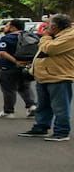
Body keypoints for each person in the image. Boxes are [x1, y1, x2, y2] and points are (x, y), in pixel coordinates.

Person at [18, 13, 73, 142]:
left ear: (55, 26)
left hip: (59, 76)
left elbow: (50, 49)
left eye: (48, 25)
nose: (45, 27)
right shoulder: (55, 35)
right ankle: (41, 127)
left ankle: (61, 132)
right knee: (43, 105)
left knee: (60, 107)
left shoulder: (70, 36)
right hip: (44, 75)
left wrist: (45, 37)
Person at [0, 19, 38, 119]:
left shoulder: (6, 38)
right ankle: (32, 106)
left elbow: (2, 52)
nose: (5, 28)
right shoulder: (30, 36)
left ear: (13, 27)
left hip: (8, 68)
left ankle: (8, 111)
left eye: (7, 26)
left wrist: (15, 61)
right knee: (25, 87)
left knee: (8, 89)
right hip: (26, 67)